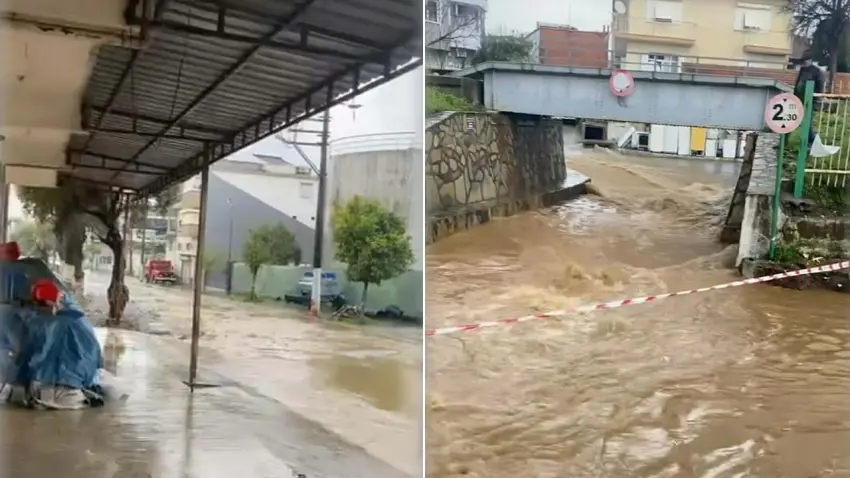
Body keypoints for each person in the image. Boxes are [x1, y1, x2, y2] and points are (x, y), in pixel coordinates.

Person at [794, 52, 824, 146]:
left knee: (807, 122)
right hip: (800, 99)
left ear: (810, 60)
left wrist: (816, 99)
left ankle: (813, 141)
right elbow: (798, 83)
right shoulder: (802, 70)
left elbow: (820, 86)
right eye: (803, 61)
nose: (804, 63)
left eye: (805, 61)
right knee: (795, 121)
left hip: (811, 100)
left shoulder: (817, 71)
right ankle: (811, 141)